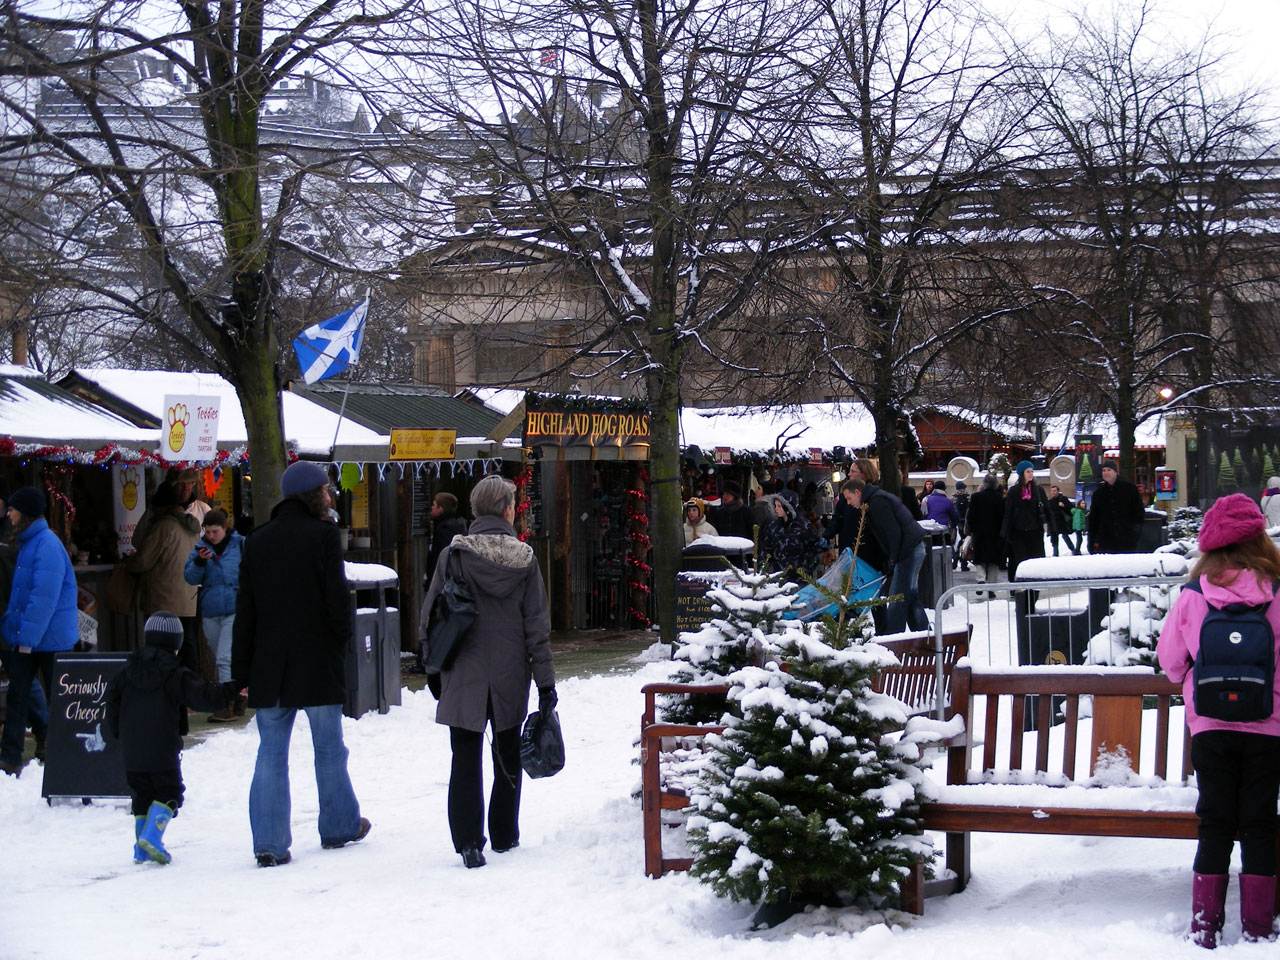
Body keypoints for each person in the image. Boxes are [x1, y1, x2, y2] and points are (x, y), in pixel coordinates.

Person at [1156, 493, 1280, 947]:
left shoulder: (1194, 594)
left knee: (1214, 822)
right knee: (1260, 822)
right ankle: (1259, 928)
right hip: (1269, 725)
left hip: (1209, 726)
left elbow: (1170, 662)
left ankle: (1206, 927)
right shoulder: (1278, 590)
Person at [232, 460, 370, 867]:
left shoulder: (256, 541)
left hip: (269, 666)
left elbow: (247, 613)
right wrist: (340, 640)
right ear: (314, 496)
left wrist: (241, 672)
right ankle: (339, 826)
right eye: (326, 491)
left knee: (270, 753)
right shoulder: (324, 536)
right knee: (329, 749)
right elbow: (336, 599)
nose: (330, 496)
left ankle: (269, 843)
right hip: (317, 662)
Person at [419, 475, 555, 869]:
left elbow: (431, 615)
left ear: (476, 510)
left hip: (463, 667)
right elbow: (536, 627)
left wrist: (432, 665)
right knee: (507, 754)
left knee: (464, 756)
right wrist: (545, 683)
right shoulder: (525, 560)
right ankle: (504, 833)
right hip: (511, 670)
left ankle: (468, 842)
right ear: (509, 510)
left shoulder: (454, 555)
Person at [105, 611, 235, 864]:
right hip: (162, 745)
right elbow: (202, 697)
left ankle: (140, 848)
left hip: (132, 748)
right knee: (170, 791)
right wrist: (230, 690)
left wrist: (118, 732)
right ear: (176, 644)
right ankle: (152, 838)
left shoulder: (127, 669)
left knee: (142, 794)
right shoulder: (174, 672)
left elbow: (112, 700)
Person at [0, 486, 79, 777]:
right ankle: (10, 756)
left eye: (13, 508)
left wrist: (24, 640)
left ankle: (62, 751)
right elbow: (21, 594)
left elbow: (42, 599)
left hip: (50, 640)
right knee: (18, 695)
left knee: (59, 698)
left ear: (27, 512)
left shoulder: (46, 545)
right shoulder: (28, 542)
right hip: (29, 637)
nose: (8, 513)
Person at [126, 482, 202, 676]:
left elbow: (143, 560)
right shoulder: (190, 525)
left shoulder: (163, 526)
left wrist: (129, 564)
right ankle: (192, 686)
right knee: (187, 644)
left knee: (162, 645)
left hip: (164, 597)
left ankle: (163, 685)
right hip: (188, 596)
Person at [841, 478, 927, 633]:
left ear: (858, 492)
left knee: (897, 598)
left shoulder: (877, 502)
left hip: (908, 550)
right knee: (910, 596)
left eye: (849, 498)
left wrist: (893, 560)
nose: (848, 502)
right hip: (912, 547)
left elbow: (892, 532)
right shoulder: (876, 498)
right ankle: (924, 635)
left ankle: (894, 640)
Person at [183, 509, 244, 721]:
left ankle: (224, 704)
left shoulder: (240, 545)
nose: (211, 536)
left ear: (225, 529)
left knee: (225, 658)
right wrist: (200, 562)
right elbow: (189, 577)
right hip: (211, 610)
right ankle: (237, 694)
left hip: (235, 609)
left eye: (215, 531)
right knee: (223, 656)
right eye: (207, 532)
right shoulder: (200, 548)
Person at [1001, 461, 1055, 581]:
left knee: (1036, 562)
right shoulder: (1014, 491)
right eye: (1027, 472)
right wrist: (1005, 532)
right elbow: (1008, 513)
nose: (1030, 474)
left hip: (1035, 531)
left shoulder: (1038, 490)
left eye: (1031, 471)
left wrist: (1053, 529)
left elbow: (1047, 509)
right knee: (1020, 562)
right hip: (1018, 533)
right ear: (1022, 474)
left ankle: (1034, 589)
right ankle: (1021, 589)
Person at [1087, 460, 1146, 554]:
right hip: (1105, 542)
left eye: (1109, 470)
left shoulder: (1129, 489)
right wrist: (1091, 542)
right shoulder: (1098, 493)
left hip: (1127, 541)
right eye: (1104, 470)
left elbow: (1139, 513)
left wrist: (1135, 534)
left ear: (1115, 472)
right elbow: (1094, 519)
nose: (1106, 473)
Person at [966, 474, 1007, 597]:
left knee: (979, 559)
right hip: (996, 534)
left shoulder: (975, 497)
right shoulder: (1000, 498)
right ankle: (991, 588)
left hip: (979, 533)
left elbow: (971, 516)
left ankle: (981, 579)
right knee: (994, 561)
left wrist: (971, 530)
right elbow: (1003, 516)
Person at [759, 494, 819, 579]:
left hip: (801, 575)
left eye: (779, 506)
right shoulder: (773, 527)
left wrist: (809, 566)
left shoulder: (803, 526)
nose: (776, 509)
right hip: (780, 575)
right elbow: (767, 549)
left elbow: (814, 547)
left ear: (787, 507)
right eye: (775, 506)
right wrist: (763, 568)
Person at [427, 492, 468, 587]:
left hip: (443, 583)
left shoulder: (444, 529)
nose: (431, 508)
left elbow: (442, 556)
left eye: (434, 505)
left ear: (440, 509)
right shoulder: (455, 526)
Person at [1047, 485, 1074, 557]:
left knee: (1065, 536)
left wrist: (1064, 506)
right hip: (1054, 522)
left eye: (1054, 490)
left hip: (1062, 522)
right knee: (1054, 538)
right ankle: (1055, 554)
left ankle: (1073, 549)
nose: (1053, 492)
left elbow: (1071, 508)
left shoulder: (1063, 499)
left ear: (1058, 491)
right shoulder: (1050, 502)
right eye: (1052, 491)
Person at [952, 481, 971, 571]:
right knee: (966, 542)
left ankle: (956, 554)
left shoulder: (953, 499)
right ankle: (964, 563)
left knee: (958, 541)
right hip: (967, 523)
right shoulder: (969, 497)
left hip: (958, 523)